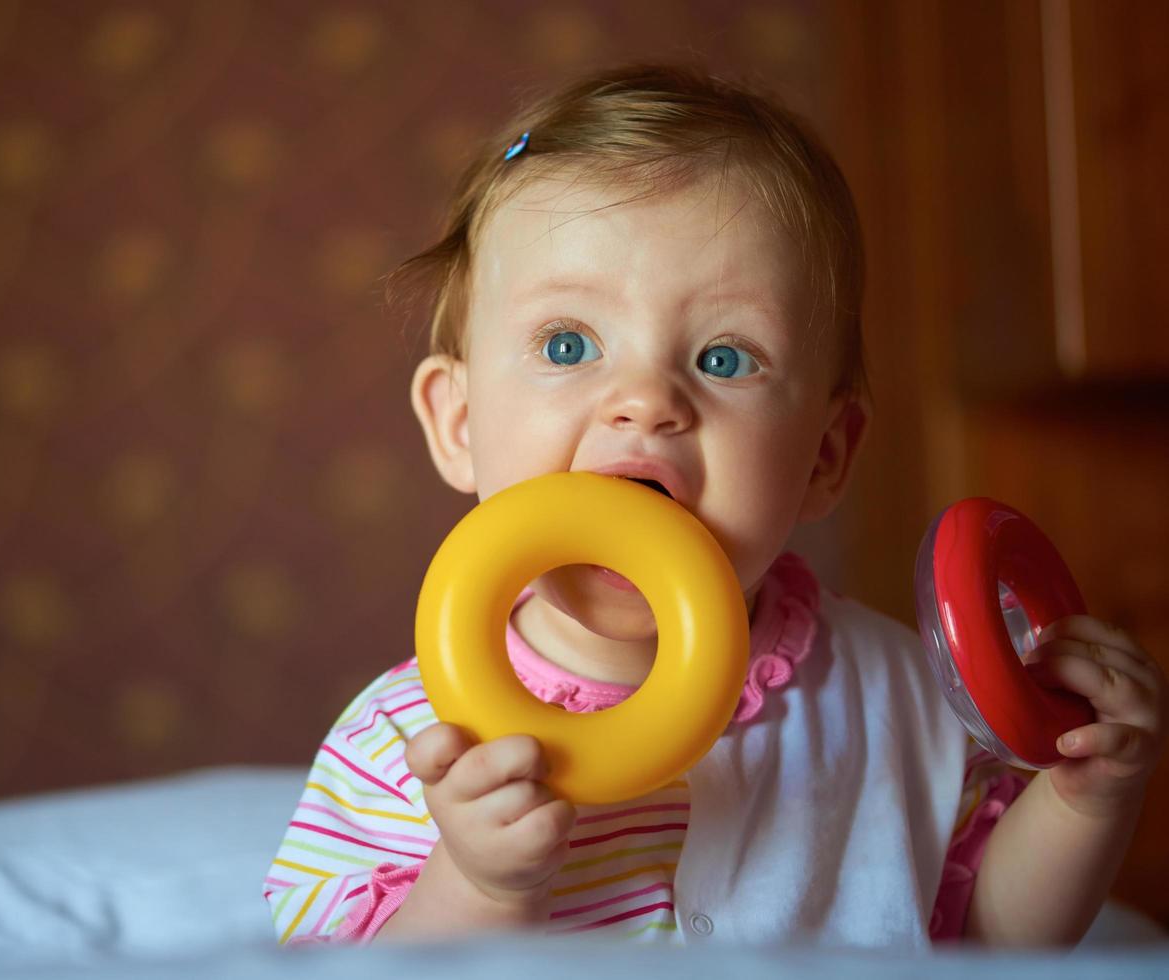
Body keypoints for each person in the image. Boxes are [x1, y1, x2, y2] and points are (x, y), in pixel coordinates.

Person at [263, 63, 1164, 948]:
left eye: (724, 358)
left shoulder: (898, 695)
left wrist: (1084, 799)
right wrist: (478, 883)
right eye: (569, 343)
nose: (645, 399)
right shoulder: (406, 739)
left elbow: (979, 939)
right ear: (457, 422)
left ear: (822, 455)